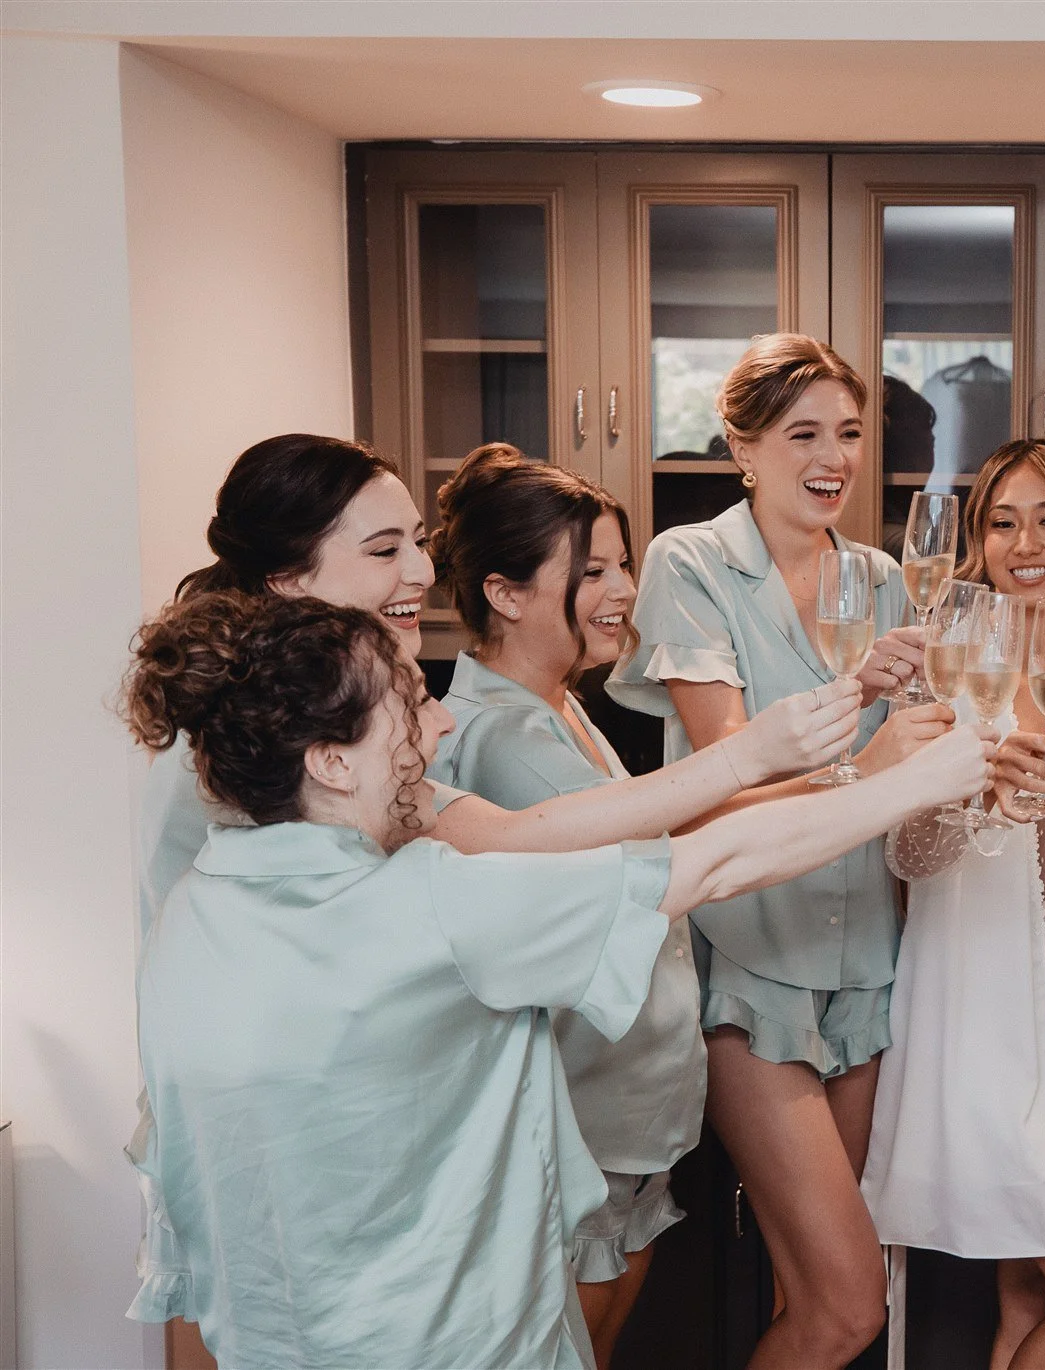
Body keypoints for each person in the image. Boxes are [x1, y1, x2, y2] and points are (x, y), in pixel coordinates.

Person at [124, 591, 994, 1367]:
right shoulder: (433, 905)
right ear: (332, 762)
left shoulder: (189, 914)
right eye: (410, 708)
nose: (441, 729)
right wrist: (916, 781)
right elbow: (711, 866)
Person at [606, 334, 945, 1368]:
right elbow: (726, 775)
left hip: (865, 964)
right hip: (746, 964)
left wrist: (903, 699)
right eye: (802, 433)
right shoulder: (691, 563)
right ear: (742, 448)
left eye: (848, 432)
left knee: (818, 1292)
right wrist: (880, 753)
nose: (832, 456)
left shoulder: (881, 578)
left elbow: (909, 752)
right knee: (850, 1302)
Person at [425, 445, 720, 1365]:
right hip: (588, 1126)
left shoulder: (557, 704)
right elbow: (667, 856)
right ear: (506, 592)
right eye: (590, 571)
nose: (623, 588)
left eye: (621, 563)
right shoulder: (507, 737)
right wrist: (853, 778)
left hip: (624, 1121)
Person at [864, 440, 1045, 1370]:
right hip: (987, 1025)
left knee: (1032, 1296)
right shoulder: (943, 667)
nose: (1027, 542)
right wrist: (976, 795)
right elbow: (905, 851)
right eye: (1002, 521)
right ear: (976, 542)